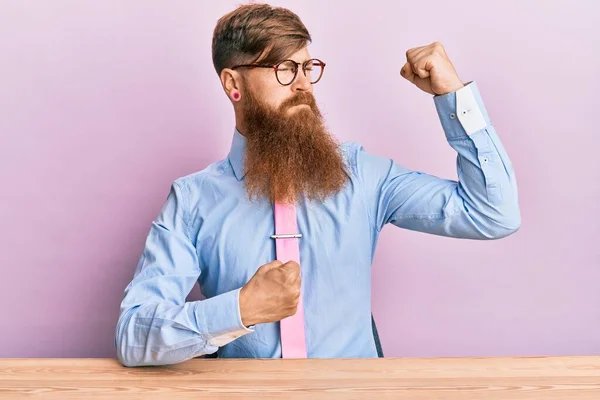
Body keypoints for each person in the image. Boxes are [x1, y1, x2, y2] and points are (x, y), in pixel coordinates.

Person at [115, 3, 520, 367]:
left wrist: (453, 95)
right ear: (232, 84)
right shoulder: (192, 200)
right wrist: (239, 308)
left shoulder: (363, 175)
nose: (303, 85)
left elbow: (492, 214)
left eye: (307, 68)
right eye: (283, 69)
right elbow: (132, 336)